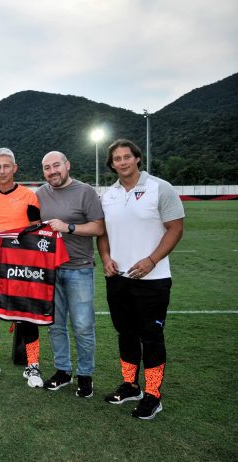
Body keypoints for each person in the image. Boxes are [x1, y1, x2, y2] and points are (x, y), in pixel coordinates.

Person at [98, 139, 184, 420]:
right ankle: (131, 386)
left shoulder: (160, 187)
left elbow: (175, 228)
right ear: (111, 165)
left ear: (137, 159)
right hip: (119, 278)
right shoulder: (108, 195)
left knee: (152, 337)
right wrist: (106, 258)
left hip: (153, 279)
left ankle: (153, 395)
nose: (122, 162)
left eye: (127, 157)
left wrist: (151, 260)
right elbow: (104, 233)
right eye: (117, 159)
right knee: (126, 333)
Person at [36, 151, 104, 397]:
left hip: (79, 268)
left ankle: (85, 375)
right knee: (55, 325)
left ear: (67, 165)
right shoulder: (40, 194)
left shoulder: (85, 191)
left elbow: (99, 226)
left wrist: (69, 227)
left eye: (56, 165)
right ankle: (63, 371)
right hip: (50, 270)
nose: (52, 171)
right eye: (47, 168)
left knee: (83, 326)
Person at [0, 148, 43, 385]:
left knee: (27, 312)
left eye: (6, 166)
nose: (2, 171)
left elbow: (37, 228)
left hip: (21, 266)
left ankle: (33, 366)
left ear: (15, 168)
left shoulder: (28, 196)